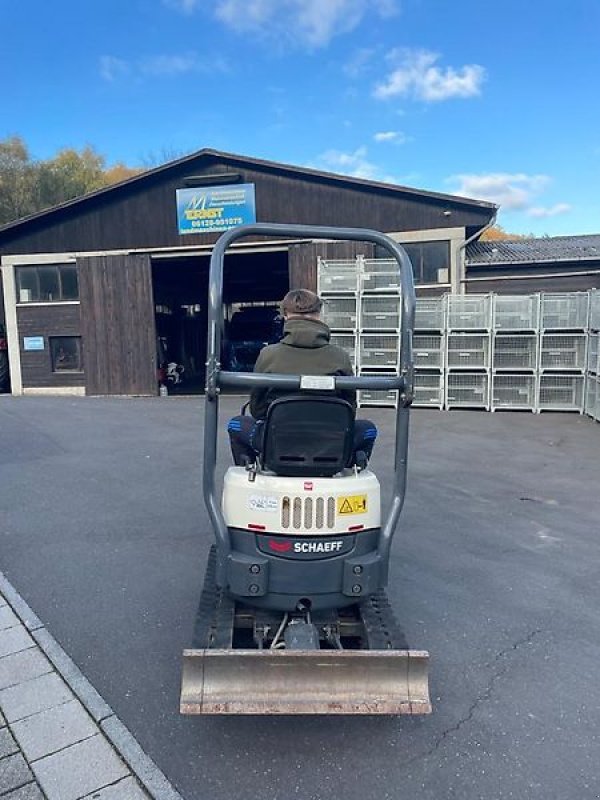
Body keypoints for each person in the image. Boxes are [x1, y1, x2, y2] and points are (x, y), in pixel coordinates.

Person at [227, 288, 377, 466]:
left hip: (278, 440)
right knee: (367, 429)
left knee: (236, 424)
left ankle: (252, 469)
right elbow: (350, 408)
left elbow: (257, 408)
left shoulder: (268, 355)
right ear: (319, 314)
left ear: (285, 315)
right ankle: (347, 467)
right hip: (330, 441)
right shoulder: (340, 357)